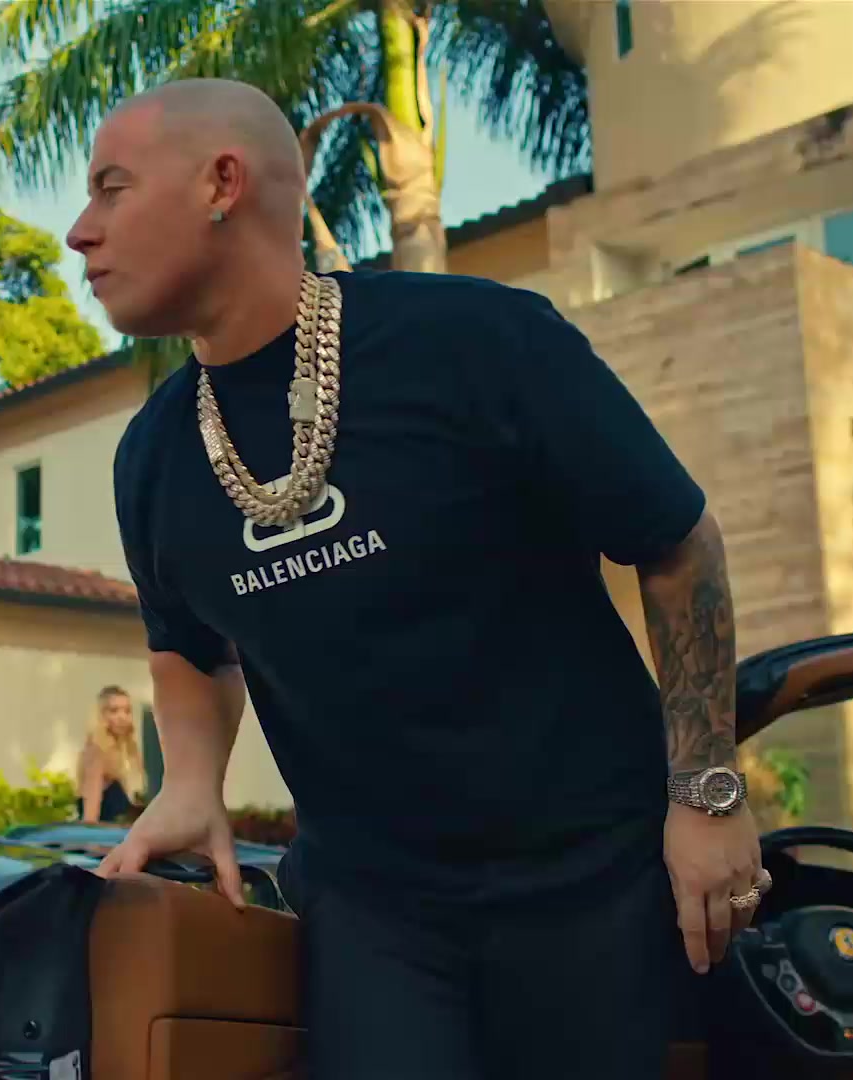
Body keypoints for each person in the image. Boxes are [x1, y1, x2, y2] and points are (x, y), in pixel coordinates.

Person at [75, 78, 768, 1079]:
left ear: (222, 184)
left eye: (112, 188)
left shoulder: (481, 344)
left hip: (589, 882)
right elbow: (186, 642)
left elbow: (676, 544)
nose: (80, 232)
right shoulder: (153, 455)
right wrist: (190, 784)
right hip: (372, 910)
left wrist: (705, 793)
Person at [78, 685, 146, 823]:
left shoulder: (124, 751)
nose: (122, 717)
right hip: (108, 833)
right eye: (114, 711)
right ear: (101, 715)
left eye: (127, 711)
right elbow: (91, 813)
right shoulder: (96, 751)